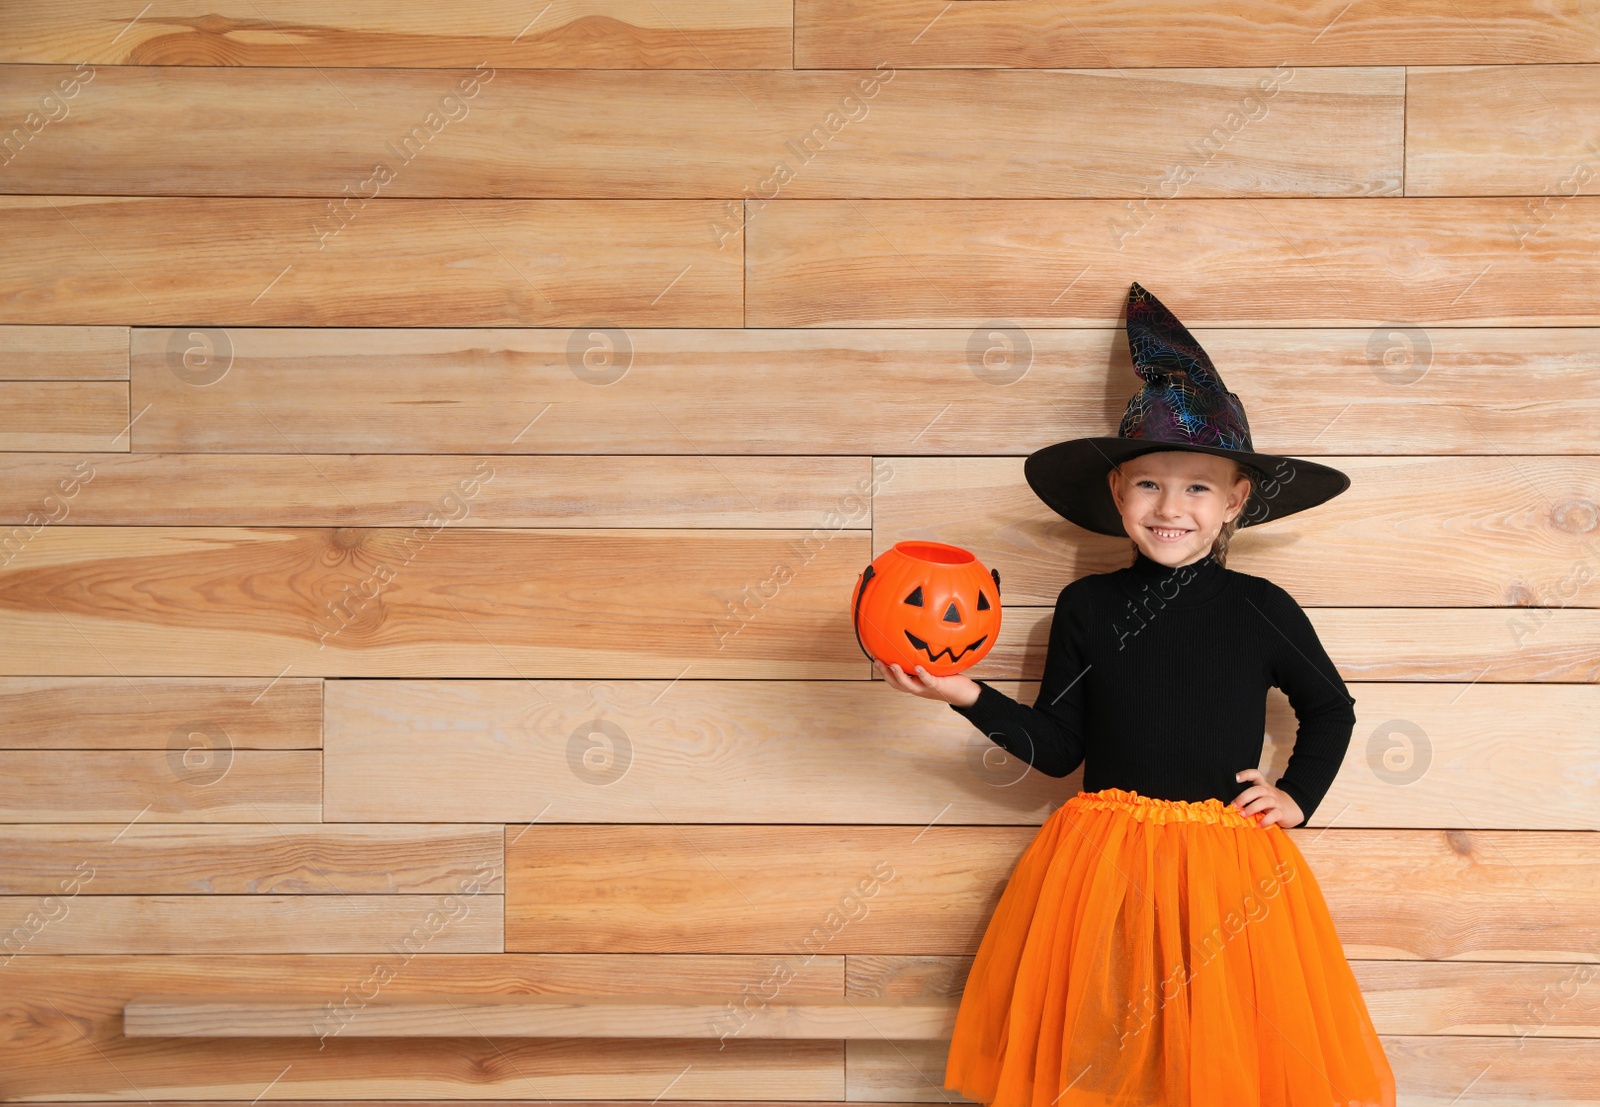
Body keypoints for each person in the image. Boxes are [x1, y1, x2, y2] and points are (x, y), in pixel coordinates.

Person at [874, 283, 1397, 1105]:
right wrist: (963, 691)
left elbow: (1331, 706)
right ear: (1117, 495)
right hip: (1103, 866)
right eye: (1149, 484)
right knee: (1108, 1047)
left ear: (1235, 502)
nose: (1171, 506)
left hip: (1226, 869)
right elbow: (1059, 747)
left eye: (1197, 487)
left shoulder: (1262, 608)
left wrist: (1297, 794)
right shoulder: (1087, 606)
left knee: (1220, 1052)